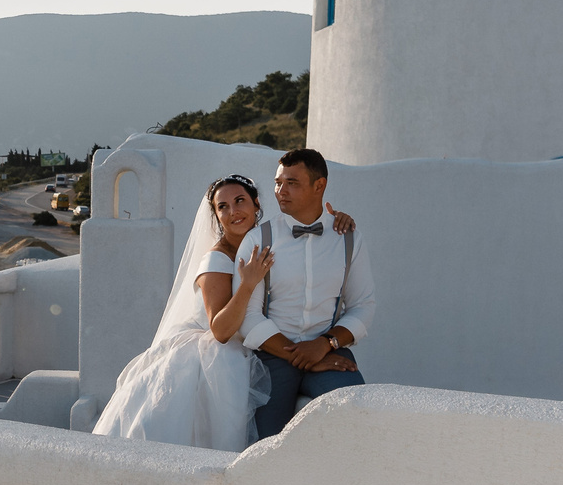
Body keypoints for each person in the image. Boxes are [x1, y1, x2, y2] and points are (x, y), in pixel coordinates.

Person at [91, 174, 279, 450]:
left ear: (256, 204)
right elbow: (221, 331)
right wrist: (248, 284)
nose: (233, 211)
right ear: (216, 215)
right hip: (213, 359)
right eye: (222, 207)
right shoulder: (217, 259)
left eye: (240, 201)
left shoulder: (261, 245)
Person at [242, 148, 372, 437]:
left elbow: (363, 305)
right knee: (266, 444)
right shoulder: (259, 239)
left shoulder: (349, 238)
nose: (280, 191)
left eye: (292, 183)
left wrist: (325, 345)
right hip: (272, 357)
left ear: (319, 186)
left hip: (330, 351)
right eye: (278, 183)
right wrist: (299, 355)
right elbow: (248, 316)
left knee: (359, 419)